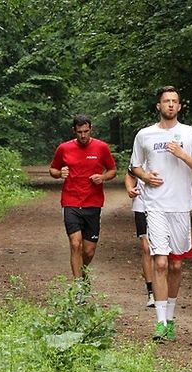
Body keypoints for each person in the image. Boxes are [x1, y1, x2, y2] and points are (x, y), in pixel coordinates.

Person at [129, 86, 192, 341]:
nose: (171, 105)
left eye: (175, 101)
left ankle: (171, 318)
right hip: (154, 205)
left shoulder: (190, 134)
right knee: (160, 262)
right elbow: (135, 166)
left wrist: (182, 154)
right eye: (166, 101)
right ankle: (161, 323)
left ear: (180, 106)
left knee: (176, 264)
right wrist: (144, 176)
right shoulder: (145, 135)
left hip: (181, 205)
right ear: (158, 106)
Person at [49, 114, 117, 284]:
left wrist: (102, 178)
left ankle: (83, 273)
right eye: (80, 132)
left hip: (93, 203)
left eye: (86, 131)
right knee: (75, 244)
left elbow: (112, 170)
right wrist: (60, 173)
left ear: (90, 129)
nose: (83, 135)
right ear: (74, 131)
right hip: (71, 201)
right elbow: (53, 169)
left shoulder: (101, 148)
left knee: (88, 251)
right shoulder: (64, 148)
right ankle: (78, 287)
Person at [124, 168, 155, 307]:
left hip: (166, 205)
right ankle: (151, 292)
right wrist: (130, 188)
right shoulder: (140, 150)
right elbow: (130, 175)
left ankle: (164, 288)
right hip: (141, 205)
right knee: (147, 248)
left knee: (164, 251)